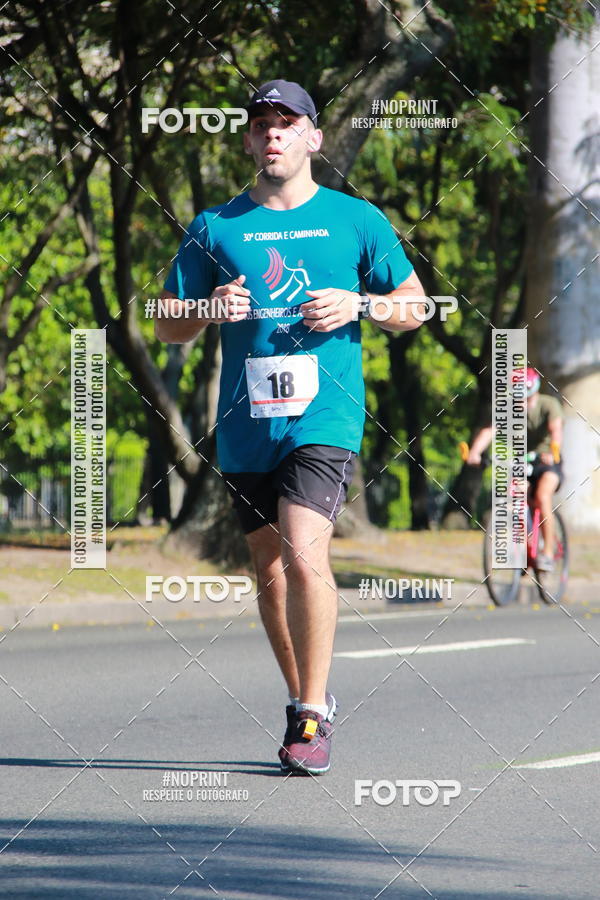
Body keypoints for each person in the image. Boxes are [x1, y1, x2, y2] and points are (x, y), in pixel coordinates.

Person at [155, 79, 425, 774]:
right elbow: (166, 326)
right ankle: (304, 695)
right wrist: (208, 309)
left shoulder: (356, 219)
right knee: (269, 572)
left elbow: (416, 307)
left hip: (324, 416)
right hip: (248, 425)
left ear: (313, 137)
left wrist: (359, 304)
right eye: (261, 124)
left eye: (287, 122)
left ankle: (311, 716)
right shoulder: (216, 227)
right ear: (248, 140)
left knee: (305, 552)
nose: (273, 133)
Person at [466, 367, 563, 571]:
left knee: (542, 497)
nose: (521, 403)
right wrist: (475, 452)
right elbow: (491, 430)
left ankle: (548, 552)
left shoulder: (549, 405)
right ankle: (524, 549)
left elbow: (556, 430)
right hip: (522, 461)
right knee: (517, 498)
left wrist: (553, 450)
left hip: (547, 462)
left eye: (525, 397)